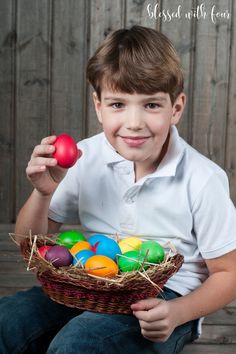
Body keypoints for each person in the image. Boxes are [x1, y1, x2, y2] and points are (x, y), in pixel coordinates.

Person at [1, 25, 236, 354]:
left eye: (151, 105)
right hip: (92, 282)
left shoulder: (202, 178)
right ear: (98, 106)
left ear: (176, 108)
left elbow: (228, 273)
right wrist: (44, 193)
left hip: (163, 299)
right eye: (117, 104)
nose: (134, 122)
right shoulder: (85, 158)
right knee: (8, 319)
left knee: (78, 344)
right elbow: (31, 246)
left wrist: (177, 313)